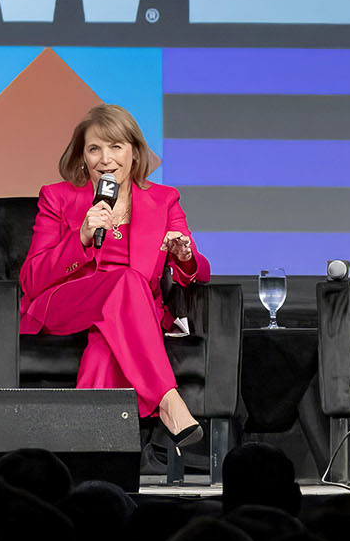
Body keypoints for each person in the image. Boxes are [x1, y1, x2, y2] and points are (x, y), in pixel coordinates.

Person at [19, 103, 209, 445]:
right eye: (95, 148)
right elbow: (31, 279)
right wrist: (80, 238)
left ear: (134, 153)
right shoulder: (57, 197)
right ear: (82, 157)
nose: (106, 158)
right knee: (125, 281)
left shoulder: (164, 200)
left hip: (129, 315)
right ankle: (168, 401)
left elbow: (197, 271)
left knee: (106, 344)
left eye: (116, 146)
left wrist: (184, 256)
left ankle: (86, 450)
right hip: (67, 304)